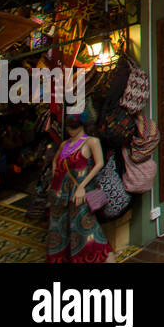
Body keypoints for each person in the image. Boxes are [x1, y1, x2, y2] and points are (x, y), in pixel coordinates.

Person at [47, 112, 111, 263]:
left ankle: (100, 257)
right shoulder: (65, 144)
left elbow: (99, 164)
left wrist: (82, 186)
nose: (71, 130)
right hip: (59, 192)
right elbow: (55, 160)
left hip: (79, 192)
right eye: (69, 127)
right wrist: (54, 178)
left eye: (74, 127)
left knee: (84, 227)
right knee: (59, 227)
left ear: (82, 126)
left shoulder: (91, 142)